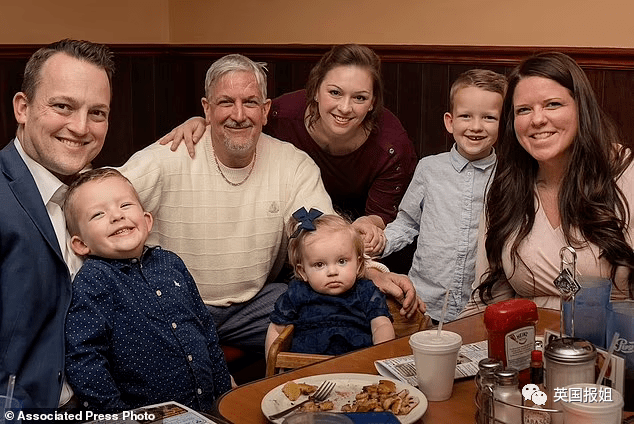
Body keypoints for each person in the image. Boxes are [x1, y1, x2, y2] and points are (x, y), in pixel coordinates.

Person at [119, 54, 421, 355]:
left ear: (265, 111)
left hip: (253, 306)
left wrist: (373, 272)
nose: (239, 114)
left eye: (250, 102)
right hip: (174, 304)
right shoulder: (168, 156)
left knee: (333, 310)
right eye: (226, 102)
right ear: (207, 109)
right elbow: (100, 195)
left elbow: (324, 234)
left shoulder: (293, 164)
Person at [160, 44, 418, 253]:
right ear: (315, 91)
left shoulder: (392, 147)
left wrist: (367, 225)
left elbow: (381, 215)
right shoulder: (280, 117)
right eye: (335, 93)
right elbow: (240, 119)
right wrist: (201, 123)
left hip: (350, 241)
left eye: (359, 98)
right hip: (289, 234)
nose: (344, 107)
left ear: (373, 103)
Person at [462, 52, 634, 315]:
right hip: (529, 337)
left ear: (581, 108)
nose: (537, 119)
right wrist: (449, 336)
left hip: (613, 337)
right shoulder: (506, 187)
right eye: (523, 110)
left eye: (552, 104)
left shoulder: (623, 172)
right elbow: (488, 300)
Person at [0, 39, 113, 409]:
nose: (80, 127)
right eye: (63, 106)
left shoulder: (99, 191)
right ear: (23, 107)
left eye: (97, 113)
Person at [63, 168, 232, 413]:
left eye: (125, 205)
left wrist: (224, 395)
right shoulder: (93, 280)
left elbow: (206, 331)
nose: (116, 216)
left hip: (208, 408)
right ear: (81, 244)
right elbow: (85, 359)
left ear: (147, 220)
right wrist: (118, 417)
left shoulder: (171, 263)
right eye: (98, 214)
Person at [380, 69, 506, 323]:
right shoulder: (429, 169)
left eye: (489, 118)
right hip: (425, 303)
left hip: (483, 305)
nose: (476, 127)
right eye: (466, 116)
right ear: (450, 121)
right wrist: (379, 244)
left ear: (503, 124)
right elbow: (407, 223)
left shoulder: (509, 176)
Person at [265, 208, 395, 358]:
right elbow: (276, 329)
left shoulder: (366, 291)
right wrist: (273, 364)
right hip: (305, 365)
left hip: (355, 363)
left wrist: (380, 356)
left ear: (359, 264)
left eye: (342, 261)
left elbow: (381, 325)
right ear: (302, 271)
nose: (332, 272)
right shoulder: (297, 293)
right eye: (319, 264)